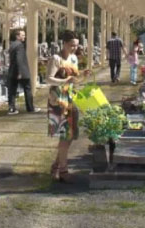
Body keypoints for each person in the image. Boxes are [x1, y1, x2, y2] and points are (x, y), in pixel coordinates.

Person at [46, 30, 89, 182]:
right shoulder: (56, 59)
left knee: (70, 136)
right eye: (71, 45)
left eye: (76, 46)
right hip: (58, 100)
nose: (74, 48)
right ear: (64, 44)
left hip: (70, 98)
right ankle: (63, 170)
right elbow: (49, 79)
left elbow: (74, 79)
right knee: (65, 136)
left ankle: (57, 165)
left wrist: (83, 74)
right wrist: (65, 81)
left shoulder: (74, 59)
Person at [6, 29, 39, 115]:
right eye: (23, 35)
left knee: (12, 91)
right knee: (27, 89)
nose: (24, 37)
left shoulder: (12, 45)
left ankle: (11, 108)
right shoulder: (20, 45)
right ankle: (30, 108)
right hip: (22, 72)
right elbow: (19, 59)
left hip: (12, 71)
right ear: (18, 36)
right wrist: (20, 72)